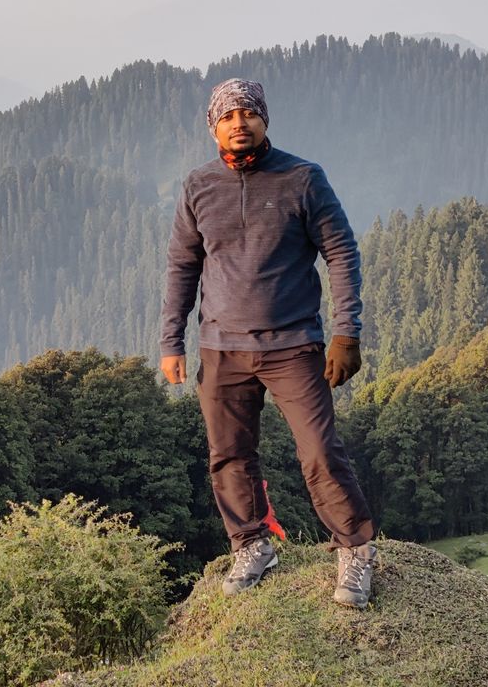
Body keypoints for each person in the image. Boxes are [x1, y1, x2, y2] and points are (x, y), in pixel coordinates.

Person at [159, 78, 377, 608]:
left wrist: (346, 332)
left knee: (320, 451)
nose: (239, 123)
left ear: (264, 120)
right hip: (220, 347)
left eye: (248, 113)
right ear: (213, 127)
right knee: (229, 455)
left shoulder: (303, 178)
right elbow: (182, 266)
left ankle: (354, 551)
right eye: (227, 116)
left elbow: (342, 252)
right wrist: (172, 340)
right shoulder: (198, 187)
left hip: (294, 344)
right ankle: (252, 544)